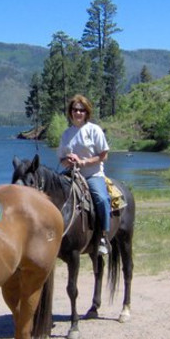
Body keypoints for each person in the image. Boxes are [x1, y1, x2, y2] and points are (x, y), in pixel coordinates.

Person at [58, 94, 111, 255]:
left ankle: (103, 236)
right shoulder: (66, 134)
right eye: (75, 109)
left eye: (81, 110)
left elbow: (104, 155)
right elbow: (61, 158)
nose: (78, 113)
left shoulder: (94, 130)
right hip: (71, 174)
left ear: (86, 112)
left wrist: (83, 162)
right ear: (70, 112)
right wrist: (68, 159)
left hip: (92, 175)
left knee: (101, 199)